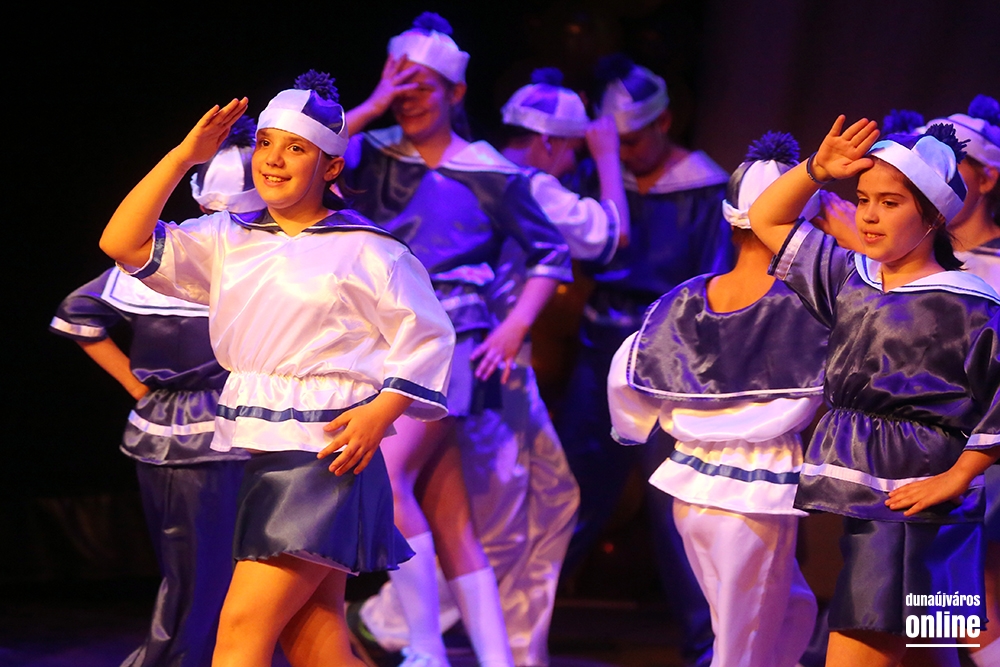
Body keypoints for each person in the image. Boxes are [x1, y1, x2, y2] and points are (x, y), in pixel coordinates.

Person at [98, 80, 456, 667]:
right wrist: (185, 156)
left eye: (295, 148)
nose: (273, 159)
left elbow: (429, 337)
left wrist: (380, 413)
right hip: (270, 453)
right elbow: (121, 241)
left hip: (325, 455)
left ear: (331, 165)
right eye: (266, 143)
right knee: (314, 642)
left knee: (241, 631)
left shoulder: (370, 249)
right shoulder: (229, 237)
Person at [354, 66, 626, 667]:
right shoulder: (480, 173)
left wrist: (512, 327)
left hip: (468, 354)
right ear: (551, 142)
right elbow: (607, 236)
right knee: (469, 513)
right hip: (466, 357)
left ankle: (432, 644)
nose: (573, 161)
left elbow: (580, 247)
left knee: (501, 506)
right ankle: (451, 644)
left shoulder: (490, 172)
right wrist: (608, 159)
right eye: (573, 150)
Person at [748, 116, 1000, 667]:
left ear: (933, 215)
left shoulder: (971, 304)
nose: (867, 215)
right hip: (884, 502)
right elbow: (766, 217)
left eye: (890, 202)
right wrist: (816, 171)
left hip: (916, 509)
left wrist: (960, 474)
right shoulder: (851, 278)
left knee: (864, 650)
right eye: (862, 199)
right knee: (930, 650)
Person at [608, 131, 833, 667]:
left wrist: (636, 425)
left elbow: (628, 379)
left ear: (731, 221)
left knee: (790, 610)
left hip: (690, 487)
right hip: (753, 491)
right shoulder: (808, 306)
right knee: (743, 645)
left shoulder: (682, 300)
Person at [49, 116, 265, 667]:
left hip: (258, 420)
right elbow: (78, 314)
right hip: (187, 434)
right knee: (198, 574)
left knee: (259, 574)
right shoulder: (178, 250)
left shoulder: (271, 253)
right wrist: (135, 383)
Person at [554, 53, 729, 665]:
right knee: (571, 494)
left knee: (675, 506)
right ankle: (518, 627)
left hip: (671, 358)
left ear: (665, 122)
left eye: (633, 140)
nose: (625, 153)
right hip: (600, 349)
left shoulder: (705, 188)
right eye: (616, 143)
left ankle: (705, 649)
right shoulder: (602, 178)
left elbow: (714, 281)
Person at [923, 95, 1000, 667]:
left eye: (952, 163)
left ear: (988, 177)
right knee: (943, 595)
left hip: (985, 448)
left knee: (960, 582)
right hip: (930, 443)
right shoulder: (916, 259)